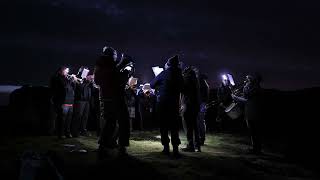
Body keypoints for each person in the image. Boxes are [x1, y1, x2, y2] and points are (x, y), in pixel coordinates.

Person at [94, 47, 130, 157]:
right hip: (114, 97)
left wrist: (124, 73)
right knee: (122, 122)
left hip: (109, 97)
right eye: (115, 54)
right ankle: (120, 147)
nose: (116, 56)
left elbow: (114, 78)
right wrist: (122, 65)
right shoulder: (105, 64)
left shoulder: (103, 64)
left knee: (111, 122)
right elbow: (105, 78)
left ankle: (105, 146)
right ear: (110, 55)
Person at [150, 55, 183, 157]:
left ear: (168, 64)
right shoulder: (179, 75)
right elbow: (183, 88)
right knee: (174, 127)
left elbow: (152, 84)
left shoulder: (164, 73)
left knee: (163, 126)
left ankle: (166, 148)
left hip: (163, 104)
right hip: (174, 104)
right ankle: (176, 149)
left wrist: (160, 84)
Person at [231, 74, 262, 154]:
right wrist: (238, 94)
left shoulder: (255, 89)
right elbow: (246, 97)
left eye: (247, 80)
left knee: (255, 131)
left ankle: (257, 149)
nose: (245, 81)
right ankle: (255, 148)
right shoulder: (253, 88)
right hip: (250, 112)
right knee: (253, 132)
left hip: (253, 113)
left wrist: (235, 97)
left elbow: (246, 100)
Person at [50, 66, 76, 139]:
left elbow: (72, 88)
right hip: (63, 101)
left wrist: (74, 81)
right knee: (62, 119)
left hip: (70, 101)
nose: (67, 72)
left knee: (69, 119)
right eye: (66, 71)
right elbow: (64, 86)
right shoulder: (58, 78)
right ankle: (60, 134)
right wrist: (71, 79)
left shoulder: (67, 79)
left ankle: (67, 133)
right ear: (61, 71)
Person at [180, 66, 201, 152]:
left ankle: (190, 145)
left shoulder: (187, 78)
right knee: (195, 126)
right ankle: (197, 146)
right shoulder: (195, 79)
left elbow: (182, 89)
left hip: (188, 105)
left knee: (188, 126)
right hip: (195, 105)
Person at [72, 67, 92, 137]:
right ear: (81, 71)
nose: (86, 72)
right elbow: (80, 87)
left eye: (87, 71)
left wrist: (90, 81)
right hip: (80, 100)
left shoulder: (87, 79)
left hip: (87, 101)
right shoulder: (77, 78)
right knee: (78, 116)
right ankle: (75, 131)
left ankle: (83, 130)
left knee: (85, 117)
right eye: (85, 70)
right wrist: (86, 81)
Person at [195, 71, 210, 145]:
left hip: (201, 105)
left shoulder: (202, 84)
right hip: (203, 105)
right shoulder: (205, 84)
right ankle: (201, 139)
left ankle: (201, 139)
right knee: (201, 122)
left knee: (200, 122)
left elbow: (200, 96)